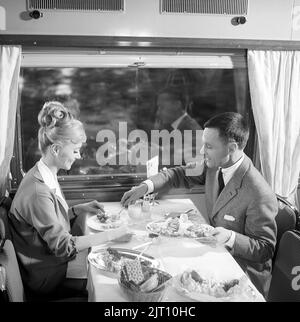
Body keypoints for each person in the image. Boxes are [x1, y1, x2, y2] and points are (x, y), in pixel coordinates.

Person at [121, 112, 278, 297]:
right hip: (214, 255)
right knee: (155, 264)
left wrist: (230, 237)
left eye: (209, 146)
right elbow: (177, 174)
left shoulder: (259, 193)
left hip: (239, 276)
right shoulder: (214, 165)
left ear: (231, 148)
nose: (203, 151)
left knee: (170, 289)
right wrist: (146, 186)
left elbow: (265, 249)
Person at [9, 101, 128, 300]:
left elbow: (49, 220)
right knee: (112, 284)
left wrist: (78, 209)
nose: (79, 156)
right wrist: (113, 234)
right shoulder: (38, 191)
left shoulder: (43, 174)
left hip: (49, 263)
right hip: (46, 277)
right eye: (75, 151)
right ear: (55, 149)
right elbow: (64, 247)